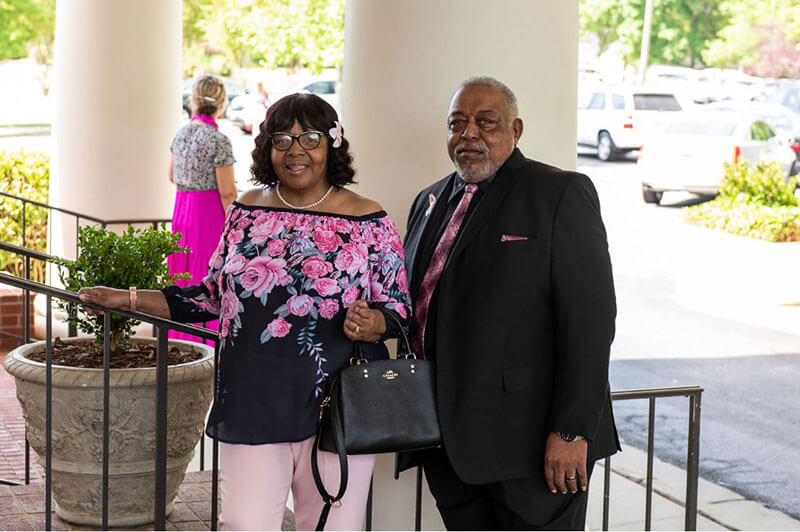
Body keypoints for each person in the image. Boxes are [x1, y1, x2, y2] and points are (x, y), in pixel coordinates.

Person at [79, 93, 411, 531]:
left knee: (332, 527)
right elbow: (212, 296)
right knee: (244, 524)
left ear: (332, 143)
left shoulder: (369, 219)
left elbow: (400, 310)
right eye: (282, 139)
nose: (295, 150)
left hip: (338, 411)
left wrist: (376, 323)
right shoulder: (246, 211)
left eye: (309, 137)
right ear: (266, 148)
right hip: (254, 400)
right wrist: (130, 299)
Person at [399, 76, 619, 530]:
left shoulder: (559, 194)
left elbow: (590, 324)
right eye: (457, 124)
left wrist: (573, 429)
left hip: (534, 448)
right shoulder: (428, 201)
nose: (469, 135)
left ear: (516, 131)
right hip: (449, 447)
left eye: (487, 122)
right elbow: (421, 303)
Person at [168, 74, 238, 345]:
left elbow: (172, 176)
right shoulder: (219, 140)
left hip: (182, 210)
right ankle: (206, 342)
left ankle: (179, 338)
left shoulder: (181, 134)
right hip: (207, 215)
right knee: (207, 278)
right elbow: (228, 191)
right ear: (221, 103)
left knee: (182, 273)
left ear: (195, 100)